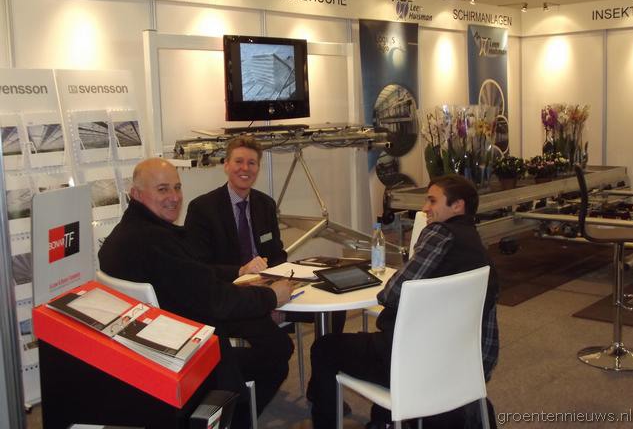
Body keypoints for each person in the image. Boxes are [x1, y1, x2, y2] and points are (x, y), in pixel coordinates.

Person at [98, 158, 294, 428]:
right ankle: (233, 419)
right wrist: (272, 297)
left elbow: (192, 276)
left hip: (152, 349)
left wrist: (238, 277)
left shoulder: (122, 236)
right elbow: (215, 300)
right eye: (163, 189)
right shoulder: (158, 242)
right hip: (192, 357)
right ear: (136, 194)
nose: (174, 197)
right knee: (276, 355)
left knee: (270, 340)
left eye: (177, 187)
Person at [306, 174, 499, 429]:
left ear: (457, 205)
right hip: (463, 363)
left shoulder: (440, 234)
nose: (425, 208)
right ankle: (383, 420)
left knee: (324, 348)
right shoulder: (477, 246)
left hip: (413, 363)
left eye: (432, 201)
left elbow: (392, 293)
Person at [185, 135, 346, 332]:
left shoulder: (266, 204)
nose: (245, 168)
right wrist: (241, 271)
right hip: (232, 296)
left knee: (335, 308)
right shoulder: (203, 209)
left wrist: (280, 285)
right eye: (238, 161)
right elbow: (200, 268)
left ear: (258, 168)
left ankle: (321, 351)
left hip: (268, 287)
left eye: (252, 163)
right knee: (278, 344)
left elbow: (277, 254)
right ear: (226, 165)